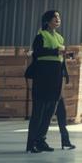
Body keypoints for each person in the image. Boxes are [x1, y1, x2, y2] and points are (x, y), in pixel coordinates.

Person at [25, 9, 71, 154]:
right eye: (55, 17)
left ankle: (41, 140)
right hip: (43, 75)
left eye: (59, 16)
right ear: (48, 20)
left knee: (50, 111)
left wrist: (65, 72)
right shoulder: (41, 35)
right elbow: (37, 52)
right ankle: (31, 143)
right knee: (39, 110)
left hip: (56, 76)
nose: (58, 19)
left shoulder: (60, 38)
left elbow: (60, 57)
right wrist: (55, 51)